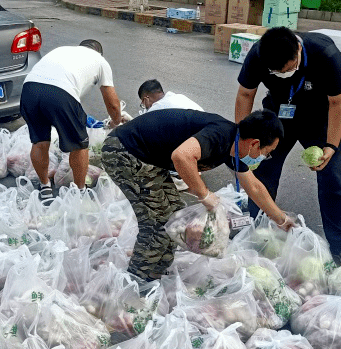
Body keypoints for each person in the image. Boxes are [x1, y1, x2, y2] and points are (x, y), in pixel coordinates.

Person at [103, 108, 295, 281]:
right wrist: (204, 194)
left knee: (175, 217)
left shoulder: (234, 147)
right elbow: (182, 156)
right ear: (254, 144)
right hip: (124, 151)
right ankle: (135, 281)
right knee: (157, 224)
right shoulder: (220, 135)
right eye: (266, 152)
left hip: (148, 159)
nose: (264, 158)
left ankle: (156, 272)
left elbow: (254, 187)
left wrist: (281, 219)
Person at [234, 27, 341, 265]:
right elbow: (245, 94)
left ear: (299, 50)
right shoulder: (259, 55)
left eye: (289, 69)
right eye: (277, 72)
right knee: (262, 172)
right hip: (278, 115)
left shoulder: (327, 55)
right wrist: (243, 139)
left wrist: (331, 145)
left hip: (321, 117)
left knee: (333, 178)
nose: (284, 75)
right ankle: (258, 232)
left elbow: (338, 101)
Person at [21, 39, 123, 203]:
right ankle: (79, 191)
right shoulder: (100, 61)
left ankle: (45, 187)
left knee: (39, 141)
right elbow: (112, 103)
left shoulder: (63, 50)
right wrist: (116, 121)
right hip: (59, 93)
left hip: (29, 90)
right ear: (99, 53)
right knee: (80, 145)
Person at [137, 79, 204, 112]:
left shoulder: (157, 108)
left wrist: (148, 108)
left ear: (146, 99)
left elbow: (141, 126)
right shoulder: (178, 96)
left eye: (143, 103)